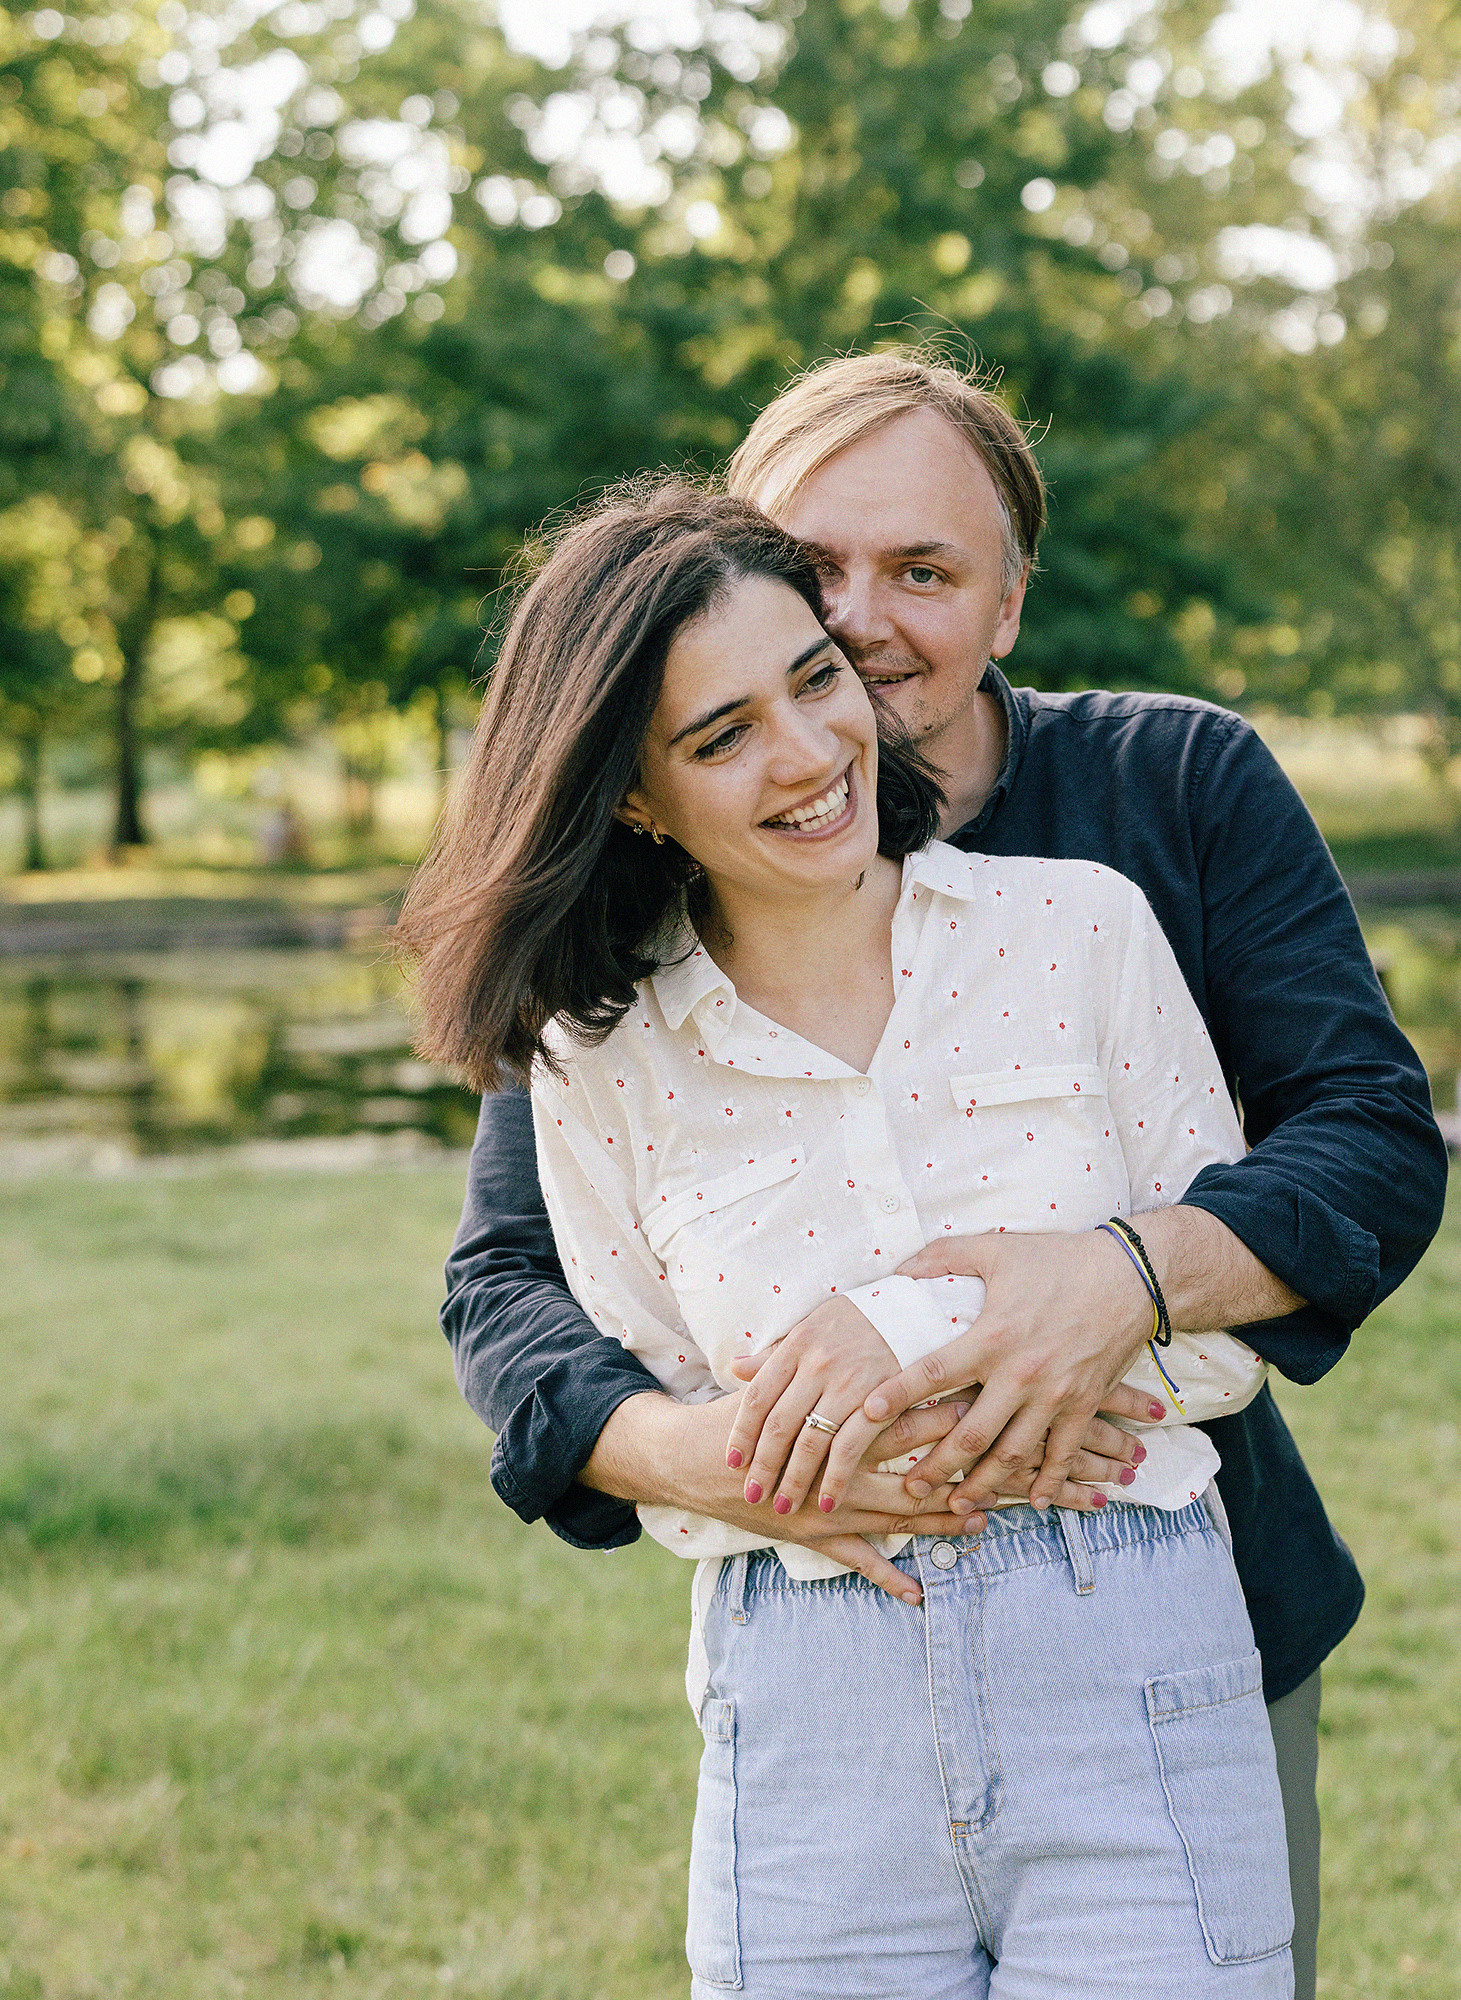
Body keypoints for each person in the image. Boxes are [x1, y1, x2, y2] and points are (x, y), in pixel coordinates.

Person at [439, 355, 1448, 2000]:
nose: (861, 624)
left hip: (1185, 1598)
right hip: (827, 1646)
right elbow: (514, 1286)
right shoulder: (618, 980)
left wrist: (1117, 1281)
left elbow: (1367, 1142)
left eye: (922, 571)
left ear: (1008, 601)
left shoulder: (1155, 807)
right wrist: (727, 1458)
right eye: (813, 567)